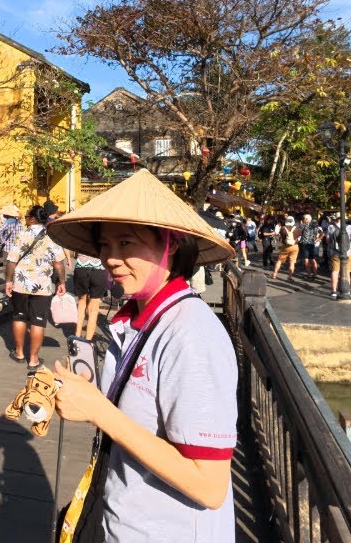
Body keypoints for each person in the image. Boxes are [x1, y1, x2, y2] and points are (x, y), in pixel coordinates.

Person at [47, 170, 237, 541]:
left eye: (127, 243)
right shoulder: (134, 319)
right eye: (104, 245)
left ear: (171, 245)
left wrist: (98, 409)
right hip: (122, 520)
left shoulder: (191, 335)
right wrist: (91, 398)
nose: (111, 259)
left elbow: (209, 485)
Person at [4, 205, 67, 369]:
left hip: (20, 284)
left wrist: (8, 281)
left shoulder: (22, 235)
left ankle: (19, 352)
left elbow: (11, 261)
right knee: (38, 322)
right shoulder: (51, 237)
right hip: (42, 287)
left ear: (32, 219)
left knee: (19, 317)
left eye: (26, 217)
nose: (25, 219)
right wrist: (61, 282)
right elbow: (59, 264)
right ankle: (33, 359)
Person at [71, 251, 108, 341]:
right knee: (94, 308)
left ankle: (77, 335)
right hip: (99, 269)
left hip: (81, 268)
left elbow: (74, 254)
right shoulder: (103, 237)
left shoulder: (81, 236)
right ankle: (88, 340)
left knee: (81, 301)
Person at [325, 213, 351, 301]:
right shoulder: (349, 227)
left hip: (335, 252)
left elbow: (327, 241)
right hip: (347, 253)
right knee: (347, 272)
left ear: (335, 219)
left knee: (335, 271)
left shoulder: (330, 227)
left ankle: (334, 291)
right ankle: (347, 291)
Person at [272, 215, 301, 281]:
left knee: (279, 260)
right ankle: (290, 277)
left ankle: (274, 274)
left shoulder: (283, 228)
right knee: (292, 262)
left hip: (285, 246)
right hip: (295, 246)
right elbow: (299, 239)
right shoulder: (297, 229)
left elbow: (280, 237)